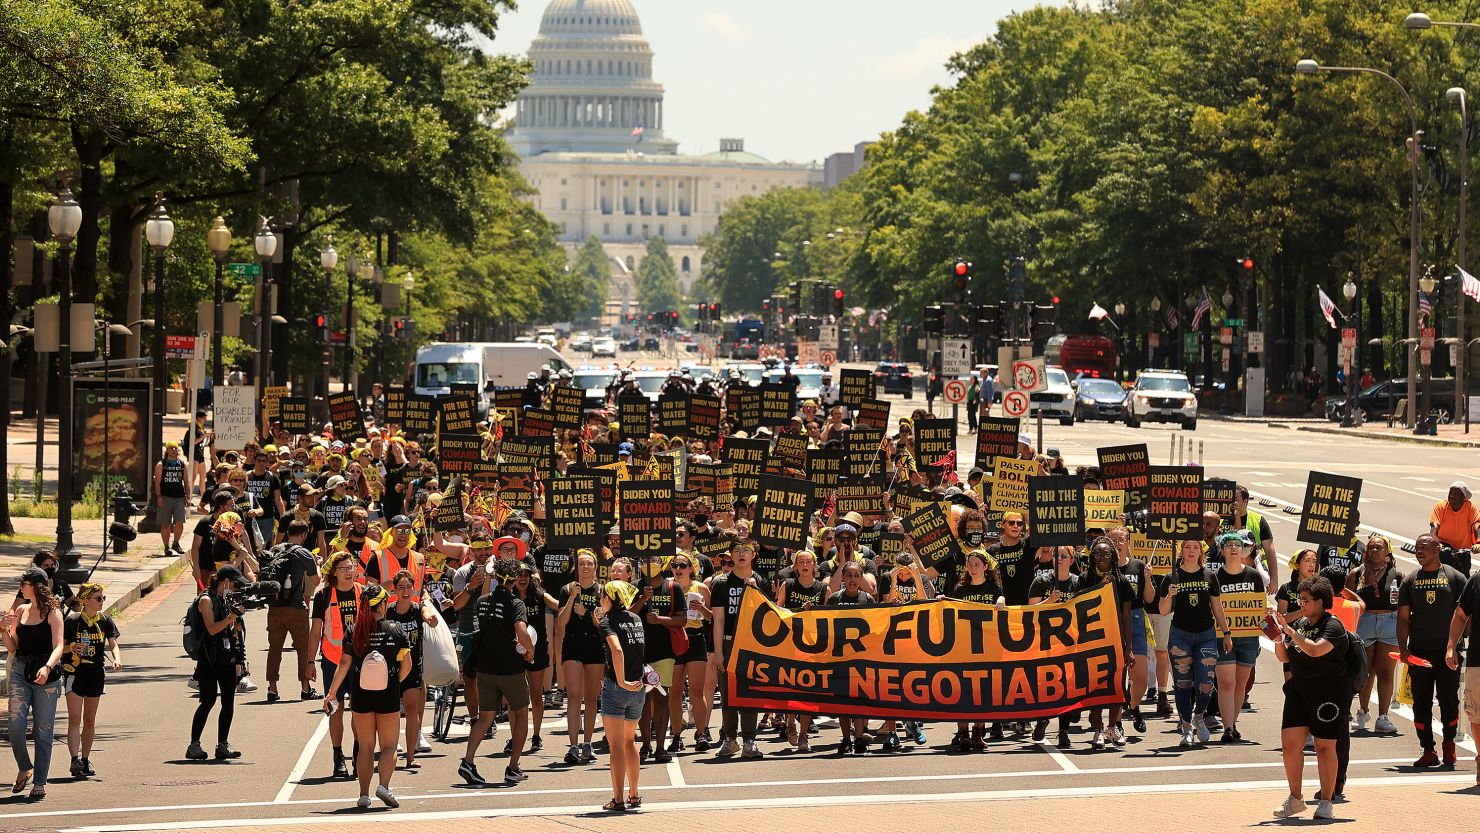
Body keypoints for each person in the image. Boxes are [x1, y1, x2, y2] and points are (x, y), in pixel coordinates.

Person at [323, 584, 411, 809]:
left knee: (365, 746)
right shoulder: (395, 629)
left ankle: (363, 794)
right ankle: (383, 785)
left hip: (361, 695)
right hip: (387, 694)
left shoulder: (354, 631)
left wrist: (332, 694)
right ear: (382, 604)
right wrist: (394, 683)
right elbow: (407, 666)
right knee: (390, 745)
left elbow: (344, 664)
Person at [1272, 577, 1349, 821]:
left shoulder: (1333, 625)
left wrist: (1290, 631)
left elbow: (1315, 650)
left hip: (1329, 693)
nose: (1301, 604)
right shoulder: (1302, 623)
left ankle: (1326, 801)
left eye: (1305, 600)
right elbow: (1285, 658)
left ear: (1319, 602)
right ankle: (1295, 798)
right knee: (1290, 745)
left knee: (1325, 747)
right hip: (1299, 690)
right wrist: (1277, 638)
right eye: (1299, 599)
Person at [458, 557, 535, 787]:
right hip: (509, 668)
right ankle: (513, 767)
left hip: (485, 667)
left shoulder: (482, 600)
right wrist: (529, 651)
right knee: (521, 713)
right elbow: (521, 630)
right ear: (513, 580)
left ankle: (468, 761)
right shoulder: (515, 603)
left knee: (485, 716)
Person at [1397, 533, 1467, 768]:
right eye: (1417, 548)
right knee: (1420, 702)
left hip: (1448, 652)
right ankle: (1428, 749)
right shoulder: (1410, 580)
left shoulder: (1454, 577)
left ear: (1437, 549)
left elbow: (1465, 614)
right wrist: (1403, 650)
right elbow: (1403, 618)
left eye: (1424, 547)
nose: (1419, 551)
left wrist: (1458, 644)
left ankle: (1449, 745)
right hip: (1419, 652)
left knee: (1448, 700)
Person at [1158, 538, 1230, 747]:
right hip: (1180, 635)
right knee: (1182, 684)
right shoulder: (1171, 577)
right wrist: (1168, 596)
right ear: (1181, 550)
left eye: (1195, 547)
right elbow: (1163, 611)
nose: (1191, 551)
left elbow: (1217, 608)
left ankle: (1199, 715)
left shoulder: (1210, 576)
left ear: (1201, 551)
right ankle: (1187, 727)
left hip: (1206, 634)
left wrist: (1226, 633)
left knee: (1206, 683)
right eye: (1187, 547)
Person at [4, 568, 65, 798]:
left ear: (36, 586)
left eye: (25, 582)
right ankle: (24, 767)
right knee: (15, 726)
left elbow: (59, 645)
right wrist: (3, 630)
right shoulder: (21, 610)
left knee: (43, 730)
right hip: (20, 671)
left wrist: (47, 667)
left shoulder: (53, 612)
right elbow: (12, 647)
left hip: (46, 677)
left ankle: (39, 781)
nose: (21, 586)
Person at [308, 551, 364, 779]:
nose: (348, 572)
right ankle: (338, 755)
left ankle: (358, 753)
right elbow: (315, 631)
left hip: (360, 659)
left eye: (351, 568)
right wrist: (309, 662)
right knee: (336, 710)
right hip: (333, 660)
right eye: (343, 569)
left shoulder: (363, 593)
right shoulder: (323, 596)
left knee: (360, 712)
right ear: (333, 573)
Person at [711, 539, 768, 758]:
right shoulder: (721, 582)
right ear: (731, 556)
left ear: (754, 555)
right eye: (737, 550)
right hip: (728, 641)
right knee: (727, 693)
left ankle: (749, 740)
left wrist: (755, 592)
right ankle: (729, 738)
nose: (741, 554)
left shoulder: (759, 580)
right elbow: (718, 620)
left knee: (749, 692)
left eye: (746, 550)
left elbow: (767, 618)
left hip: (752, 643)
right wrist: (718, 652)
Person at [187, 566, 249, 762]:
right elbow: (212, 629)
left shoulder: (224, 600)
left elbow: (225, 630)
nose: (236, 587)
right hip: (208, 657)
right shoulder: (205, 600)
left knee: (228, 700)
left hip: (225, 655)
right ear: (226, 581)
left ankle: (223, 744)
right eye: (234, 583)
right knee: (208, 700)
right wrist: (231, 617)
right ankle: (194, 745)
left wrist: (235, 626)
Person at [61, 582, 122, 779]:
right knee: (75, 718)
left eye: (103, 598)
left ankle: (85, 759)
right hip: (75, 672)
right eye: (98, 598)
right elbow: (59, 648)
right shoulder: (72, 620)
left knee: (89, 719)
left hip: (96, 673)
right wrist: (72, 647)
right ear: (85, 600)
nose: (101, 602)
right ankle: (74, 759)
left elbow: (113, 643)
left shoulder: (105, 621)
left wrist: (117, 659)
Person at [948, 549, 1005, 750]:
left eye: (977, 565)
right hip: (964, 646)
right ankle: (963, 733)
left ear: (985, 567)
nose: (973, 568)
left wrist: (1000, 601)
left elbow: (1002, 603)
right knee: (963, 691)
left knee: (983, 691)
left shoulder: (993, 587)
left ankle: (978, 732)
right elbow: (951, 611)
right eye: (970, 564)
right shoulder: (960, 589)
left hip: (986, 648)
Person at [598, 580, 647, 812]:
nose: (600, 600)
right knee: (629, 741)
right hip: (638, 688)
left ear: (609, 598)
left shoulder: (608, 621)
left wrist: (620, 681)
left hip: (618, 688)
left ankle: (618, 799)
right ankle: (634, 794)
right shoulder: (635, 619)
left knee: (615, 745)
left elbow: (617, 650)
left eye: (602, 596)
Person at [1082, 538, 1135, 750]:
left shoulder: (1122, 582)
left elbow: (1126, 618)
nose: (1101, 558)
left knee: (1117, 687)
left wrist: (1128, 648)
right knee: (1095, 688)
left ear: (1113, 556)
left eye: (1105, 554)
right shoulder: (1085, 579)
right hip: (1092, 641)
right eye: (1097, 554)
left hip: (1115, 641)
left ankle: (1113, 727)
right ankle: (1097, 729)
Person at [1210, 532, 1264, 742]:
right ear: (1222, 551)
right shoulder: (1215, 577)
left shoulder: (1254, 576)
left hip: (1249, 636)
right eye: (1229, 545)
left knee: (1240, 684)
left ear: (1243, 550)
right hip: (1223, 636)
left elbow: (1260, 606)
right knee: (1226, 683)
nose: (1233, 548)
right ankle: (1227, 728)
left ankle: (1232, 723)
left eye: (1237, 545)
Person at [1348, 535, 1402, 736]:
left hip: (1390, 623)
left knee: (1386, 671)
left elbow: (1404, 604)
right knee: (1365, 670)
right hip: (1365, 622)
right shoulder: (1356, 573)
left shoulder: (1398, 575)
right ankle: (1362, 712)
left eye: (1379, 548)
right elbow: (1346, 597)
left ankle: (1383, 717)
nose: (1375, 551)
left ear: (1387, 552)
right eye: (1371, 547)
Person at [555, 549, 605, 765]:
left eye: (589, 564)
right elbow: (561, 622)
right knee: (574, 695)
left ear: (595, 567)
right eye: (582, 564)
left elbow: (603, 623)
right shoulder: (567, 589)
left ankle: (587, 744)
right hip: (573, 645)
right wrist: (573, 597)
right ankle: (573, 745)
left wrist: (587, 614)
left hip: (594, 645)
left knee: (592, 698)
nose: (586, 567)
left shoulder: (602, 590)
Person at [1029, 546, 1082, 748]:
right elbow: (1029, 610)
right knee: (1046, 684)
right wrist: (1049, 601)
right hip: (1045, 642)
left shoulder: (1078, 582)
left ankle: (1064, 731)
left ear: (1072, 559)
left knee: (1068, 687)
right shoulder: (1041, 581)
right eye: (1056, 555)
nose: (1059, 559)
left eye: (1064, 556)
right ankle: (1043, 718)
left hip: (1070, 642)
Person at [634, 557, 686, 763]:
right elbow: (626, 615)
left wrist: (660, 620)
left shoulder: (673, 587)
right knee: (643, 700)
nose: (650, 563)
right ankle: (645, 745)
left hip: (664, 652)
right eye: (647, 560)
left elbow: (682, 619)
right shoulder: (635, 587)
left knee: (661, 698)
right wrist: (642, 600)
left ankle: (661, 747)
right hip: (639, 653)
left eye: (655, 559)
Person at [264, 520, 320, 703]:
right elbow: (316, 580)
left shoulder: (274, 550)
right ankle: (305, 688)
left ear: (288, 533)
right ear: (304, 535)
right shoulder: (304, 552)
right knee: (303, 649)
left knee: (274, 649)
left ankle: (272, 688)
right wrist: (316, 563)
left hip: (275, 607)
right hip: (296, 607)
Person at [385, 570, 436, 769]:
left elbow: (429, 617)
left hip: (413, 667)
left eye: (408, 587)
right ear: (394, 590)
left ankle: (410, 756)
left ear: (413, 589)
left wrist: (431, 618)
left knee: (412, 711)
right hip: (391, 668)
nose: (405, 591)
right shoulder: (389, 610)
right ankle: (391, 746)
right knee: (391, 712)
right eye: (401, 587)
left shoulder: (417, 609)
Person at [669, 552, 712, 752]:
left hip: (695, 638)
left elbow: (712, 618)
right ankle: (676, 735)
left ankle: (702, 733)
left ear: (691, 568)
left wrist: (702, 609)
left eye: (682, 565)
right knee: (675, 691)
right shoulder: (668, 586)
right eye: (675, 565)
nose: (678, 568)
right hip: (674, 639)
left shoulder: (701, 588)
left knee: (696, 690)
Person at [154, 441, 189, 555]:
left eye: (176, 448)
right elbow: (157, 482)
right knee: (165, 523)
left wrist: (188, 497)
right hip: (165, 497)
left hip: (179, 497)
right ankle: (166, 547)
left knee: (180, 522)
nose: (174, 450)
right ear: (167, 450)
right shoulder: (161, 464)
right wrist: (158, 497)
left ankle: (176, 543)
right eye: (171, 448)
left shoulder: (182, 464)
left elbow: (186, 482)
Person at [1430, 481, 1480, 551]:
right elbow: (1434, 526)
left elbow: (1476, 525)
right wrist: (1434, 542)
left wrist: (1478, 542)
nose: (1451, 496)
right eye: (1450, 493)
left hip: (1463, 549)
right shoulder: (1441, 506)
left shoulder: (1470, 507)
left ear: (1463, 497)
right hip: (1443, 544)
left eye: (1455, 494)